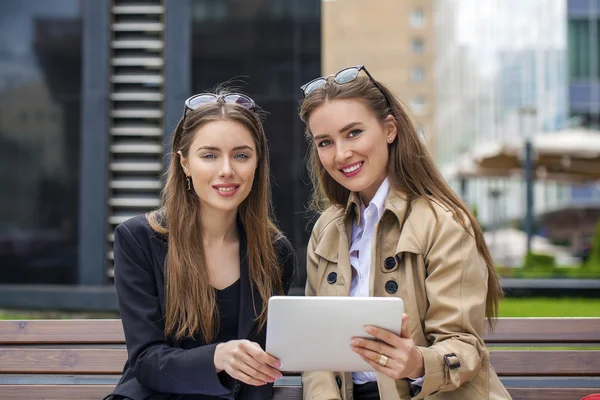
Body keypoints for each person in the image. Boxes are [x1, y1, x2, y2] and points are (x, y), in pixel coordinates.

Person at [298, 65, 511, 399]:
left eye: (354, 133)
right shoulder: (327, 230)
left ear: (389, 130)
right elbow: (316, 354)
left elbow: (465, 347)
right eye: (325, 142)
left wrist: (417, 363)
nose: (341, 154)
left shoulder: (445, 223)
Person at [105, 89, 296, 400]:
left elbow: (261, 373)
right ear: (184, 164)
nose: (226, 170)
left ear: (258, 164)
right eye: (209, 155)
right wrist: (217, 357)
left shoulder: (276, 254)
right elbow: (146, 361)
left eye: (241, 155)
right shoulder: (138, 239)